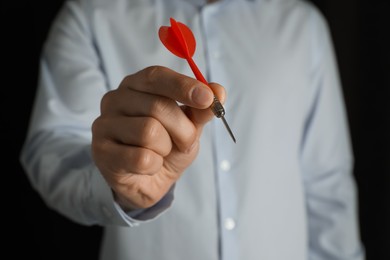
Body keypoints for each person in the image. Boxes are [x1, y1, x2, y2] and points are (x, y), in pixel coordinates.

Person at [20, 0, 365, 259]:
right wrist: (118, 183)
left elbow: (327, 184)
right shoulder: (92, 16)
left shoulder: (302, 26)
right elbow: (51, 150)